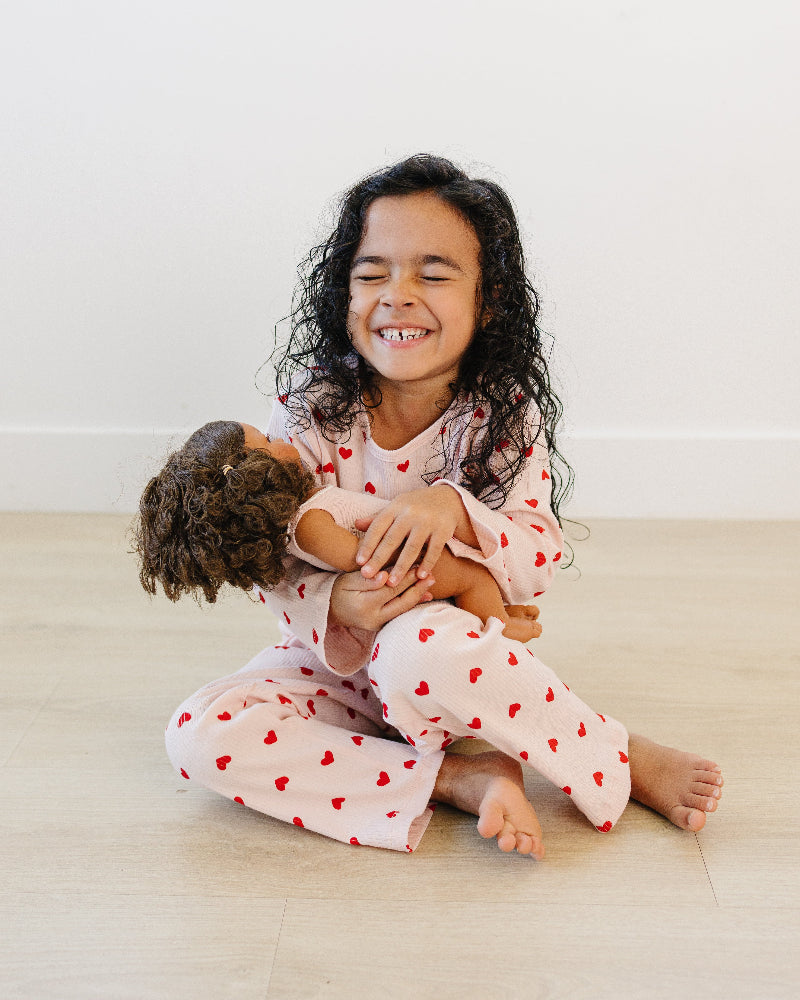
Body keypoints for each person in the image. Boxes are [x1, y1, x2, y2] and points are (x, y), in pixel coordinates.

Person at [157, 154, 723, 858]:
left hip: (444, 665)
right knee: (199, 735)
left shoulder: (501, 414)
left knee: (418, 654)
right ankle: (456, 779)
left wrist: (451, 509)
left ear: (488, 300)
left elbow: (537, 553)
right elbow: (266, 556)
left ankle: (615, 752)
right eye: (372, 274)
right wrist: (338, 602)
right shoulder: (309, 408)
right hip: (333, 664)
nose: (397, 296)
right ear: (342, 292)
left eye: (432, 274)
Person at [135, 419, 543, 643]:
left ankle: (493, 613)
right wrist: (391, 548)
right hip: (405, 558)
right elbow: (358, 558)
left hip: (406, 547)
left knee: (469, 582)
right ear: (256, 474)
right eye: (268, 441)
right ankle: (499, 626)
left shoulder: (309, 508)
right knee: (470, 577)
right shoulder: (308, 525)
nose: (281, 440)